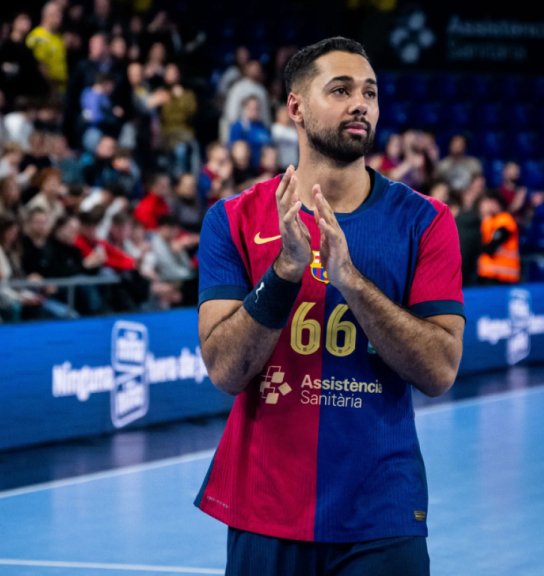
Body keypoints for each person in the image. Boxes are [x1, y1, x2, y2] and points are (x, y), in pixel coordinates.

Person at [195, 38, 465, 575]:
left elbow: (440, 370)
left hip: (381, 514)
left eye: (369, 91)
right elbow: (225, 370)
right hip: (266, 509)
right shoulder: (231, 220)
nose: (360, 103)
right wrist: (286, 273)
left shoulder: (427, 222)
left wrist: (350, 280)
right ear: (295, 107)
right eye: (340, 90)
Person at [477, 192, 520, 285]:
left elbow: (491, 246)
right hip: (488, 276)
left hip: (505, 277)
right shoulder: (487, 221)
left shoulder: (505, 219)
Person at [26, 1, 67, 93]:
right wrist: (51, 88)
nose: (60, 17)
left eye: (60, 14)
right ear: (46, 15)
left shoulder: (58, 37)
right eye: (57, 14)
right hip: (46, 89)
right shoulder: (38, 37)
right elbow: (40, 66)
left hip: (61, 88)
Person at [228, 96, 272, 168]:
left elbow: (269, 145)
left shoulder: (262, 126)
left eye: (257, 108)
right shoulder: (238, 126)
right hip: (245, 168)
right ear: (245, 109)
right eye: (252, 108)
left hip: (262, 167)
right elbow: (233, 149)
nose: (255, 111)